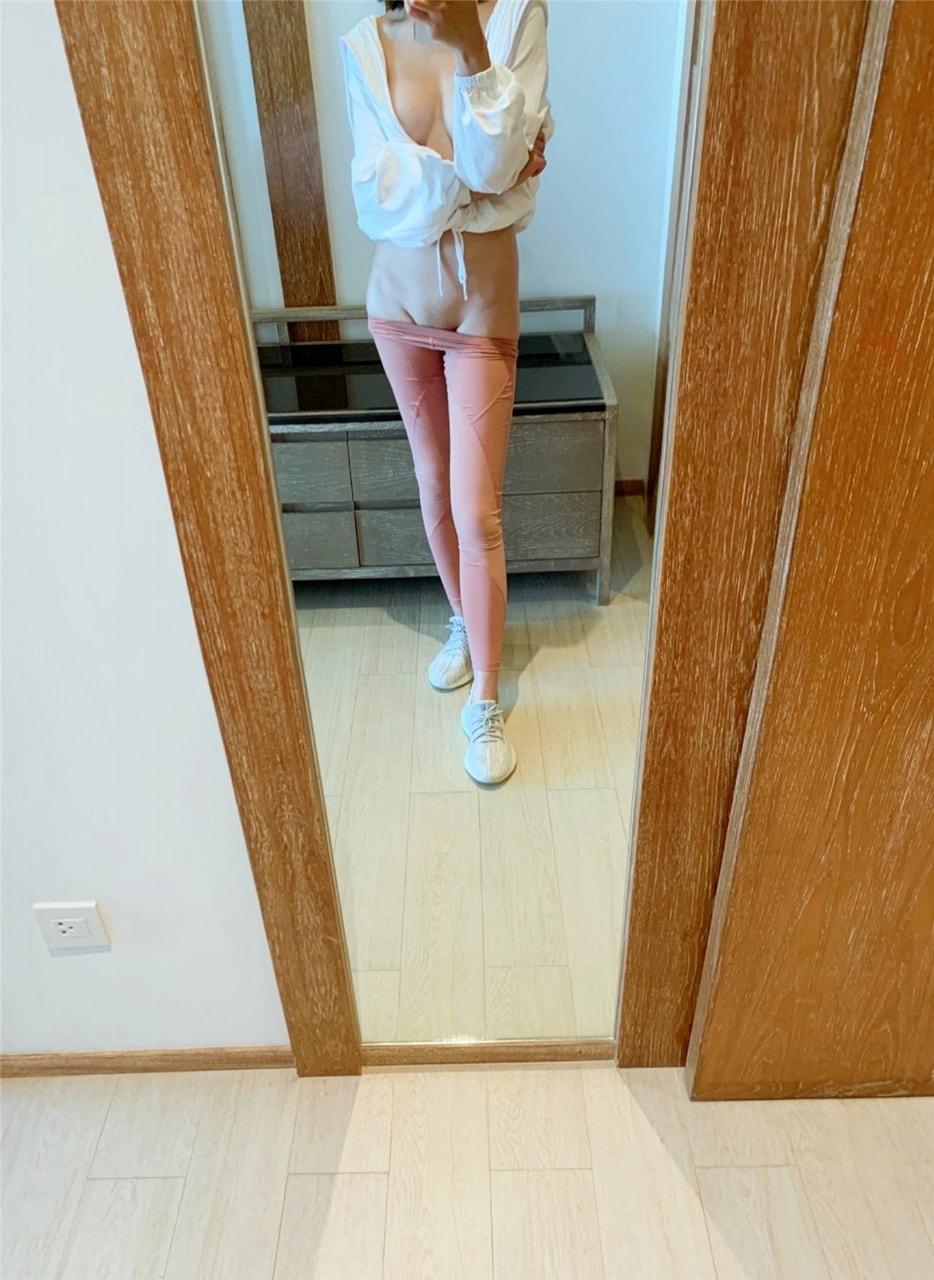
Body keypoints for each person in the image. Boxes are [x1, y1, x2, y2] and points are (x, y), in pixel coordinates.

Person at [340, 0, 553, 784]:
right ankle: (463, 621)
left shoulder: (515, 18)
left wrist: (470, 53)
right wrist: (479, 179)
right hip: (394, 310)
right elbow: (375, 196)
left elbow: (494, 169)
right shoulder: (364, 44)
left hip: (480, 315)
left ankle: (487, 700)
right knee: (431, 481)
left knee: (476, 508)